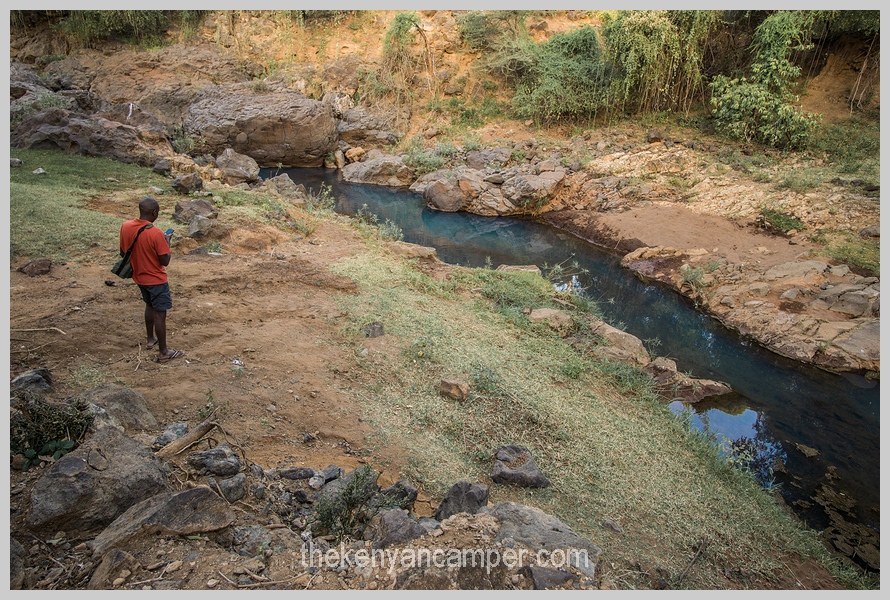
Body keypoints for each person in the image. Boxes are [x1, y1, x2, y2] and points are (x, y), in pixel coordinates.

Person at [119, 197, 183, 361]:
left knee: (149, 305)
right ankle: (163, 352)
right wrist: (166, 242)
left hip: (139, 277)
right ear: (154, 212)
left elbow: (123, 252)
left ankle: (150, 339)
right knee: (160, 313)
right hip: (156, 278)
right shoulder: (155, 233)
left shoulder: (126, 226)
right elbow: (165, 261)